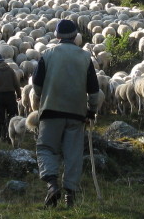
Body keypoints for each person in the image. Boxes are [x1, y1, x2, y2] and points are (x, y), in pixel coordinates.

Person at [33, 19, 101, 208]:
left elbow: (37, 84)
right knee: (73, 154)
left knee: (46, 148)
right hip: (76, 113)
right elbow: (94, 90)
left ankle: (52, 184)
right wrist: (91, 110)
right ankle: (69, 195)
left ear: (56, 36)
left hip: (51, 110)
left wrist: (42, 96)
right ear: (75, 35)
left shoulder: (47, 55)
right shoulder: (85, 57)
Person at [0, 53, 21, 142]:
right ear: (3, 61)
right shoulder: (10, 70)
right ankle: (11, 135)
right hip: (10, 95)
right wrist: (19, 95)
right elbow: (16, 84)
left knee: (0, 116)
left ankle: (1, 135)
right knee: (12, 115)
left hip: (0, 96)